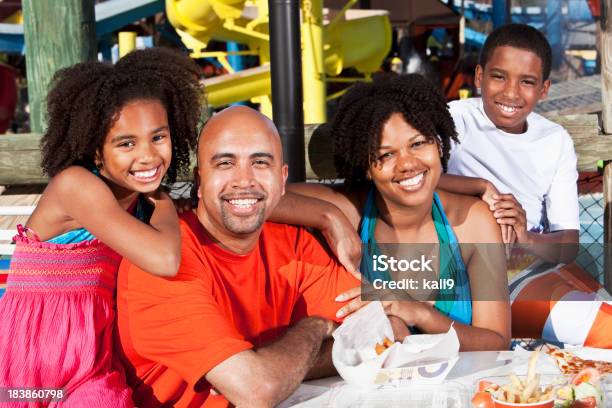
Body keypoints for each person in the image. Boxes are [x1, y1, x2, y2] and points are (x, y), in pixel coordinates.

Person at [116, 106, 361, 408]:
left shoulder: (297, 239)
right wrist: (317, 327)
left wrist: (276, 365)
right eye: (225, 163)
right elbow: (258, 390)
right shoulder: (162, 260)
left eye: (260, 162)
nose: (244, 180)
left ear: (282, 178)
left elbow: (386, 332)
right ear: (200, 179)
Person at [0, 47, 203, 406]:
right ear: (96, 151)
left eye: (158, 137)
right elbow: (164, 259)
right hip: (28, 362)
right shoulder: (76, 186)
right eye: (126, 143)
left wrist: (329, 216)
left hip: (92, 361)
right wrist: (165, 202)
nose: (148, 156)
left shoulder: (140, 202)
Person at [278, 74, 510, 351]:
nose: (406, 164)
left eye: (418, 144)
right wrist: (330, 217)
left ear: (438, 145)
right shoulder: (352, 210)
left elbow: (496, 341)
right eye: (386, 155)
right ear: (366, 166)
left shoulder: (473, 221)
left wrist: (420, 313)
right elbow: (256, 197)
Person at [443, 23, 579, 263]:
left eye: (526, 82)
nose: (511, 93)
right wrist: (481, 187)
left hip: (523, 262)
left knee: (591, 302)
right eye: (499, 76)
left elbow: (568, 244)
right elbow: (413, 181)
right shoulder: (452, 119)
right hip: (457, 257)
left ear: (544, 89)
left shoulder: (556, 141)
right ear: (479, 76)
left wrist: (525, 238)